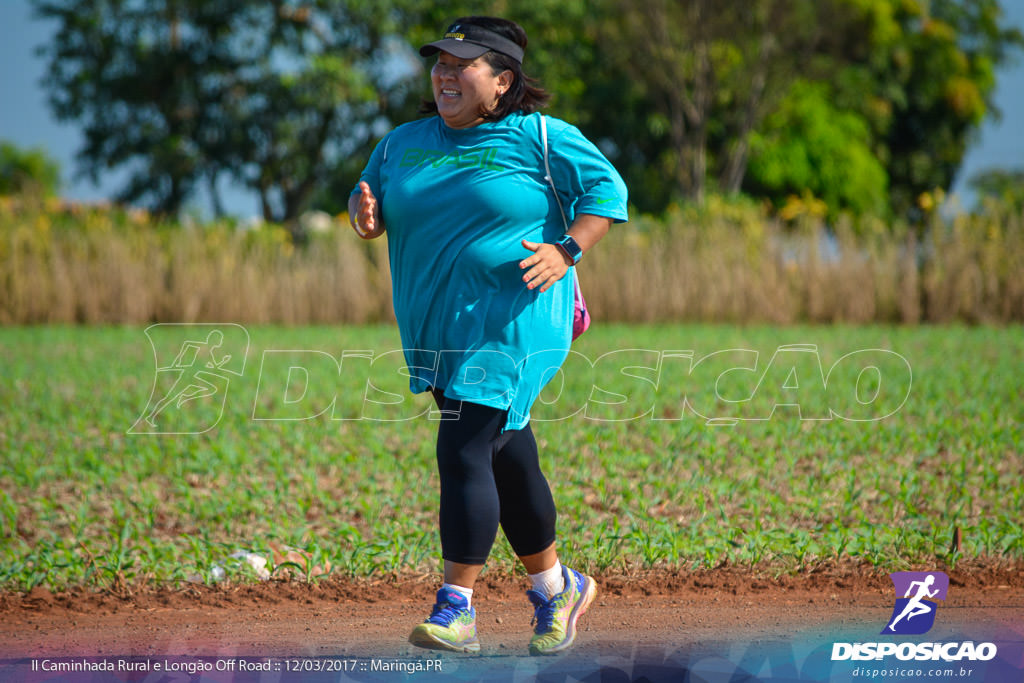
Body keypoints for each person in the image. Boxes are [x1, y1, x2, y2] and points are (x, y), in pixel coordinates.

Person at [348, 15, 628, 656]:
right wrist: (364, 219)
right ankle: (557, 588)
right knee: (505, 449)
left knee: (465, 444)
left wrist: (568, 250)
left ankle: (456, 610)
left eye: (461, 63)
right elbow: (372, 201)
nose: (445, 73)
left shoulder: (540, 137)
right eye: (439, 62)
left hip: (518, 318)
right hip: (442, 326)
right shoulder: (401, 143)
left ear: (502, 81)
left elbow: (607, 192)